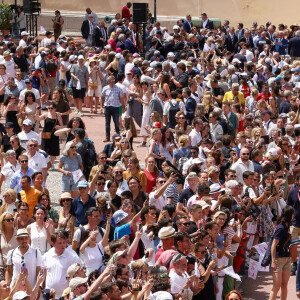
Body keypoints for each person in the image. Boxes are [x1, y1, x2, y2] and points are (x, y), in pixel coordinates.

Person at [42, 231, 81, 298]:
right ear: (53, 244)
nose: (63, 245)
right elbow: (43, 273)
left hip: (65, 295)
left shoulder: (72, 256)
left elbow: (80, 273)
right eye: (60, 243)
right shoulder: (47, 255)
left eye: (64, 242)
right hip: (49, 295)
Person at [270, 206, 294, 300]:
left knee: (284, 284)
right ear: (290, 215)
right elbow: (273, 245)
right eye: (292, 214)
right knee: (276, 286)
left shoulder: (288, 227)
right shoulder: (281, 228)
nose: (294, 216)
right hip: (278, 259)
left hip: (287, 258)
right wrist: (273, 261)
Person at [101, 75, 125, 142]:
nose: (112, 82)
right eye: (111, 80)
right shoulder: (105, 88)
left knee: (117, 123)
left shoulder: (118, 88)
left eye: (113, 80)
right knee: (107, 123)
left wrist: (123, 107)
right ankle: (107, 137)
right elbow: (102, 97)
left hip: (116, 108)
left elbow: (121, 98)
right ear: (108, 81)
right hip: (107, 107)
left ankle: (118, 136)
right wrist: (101, 107)